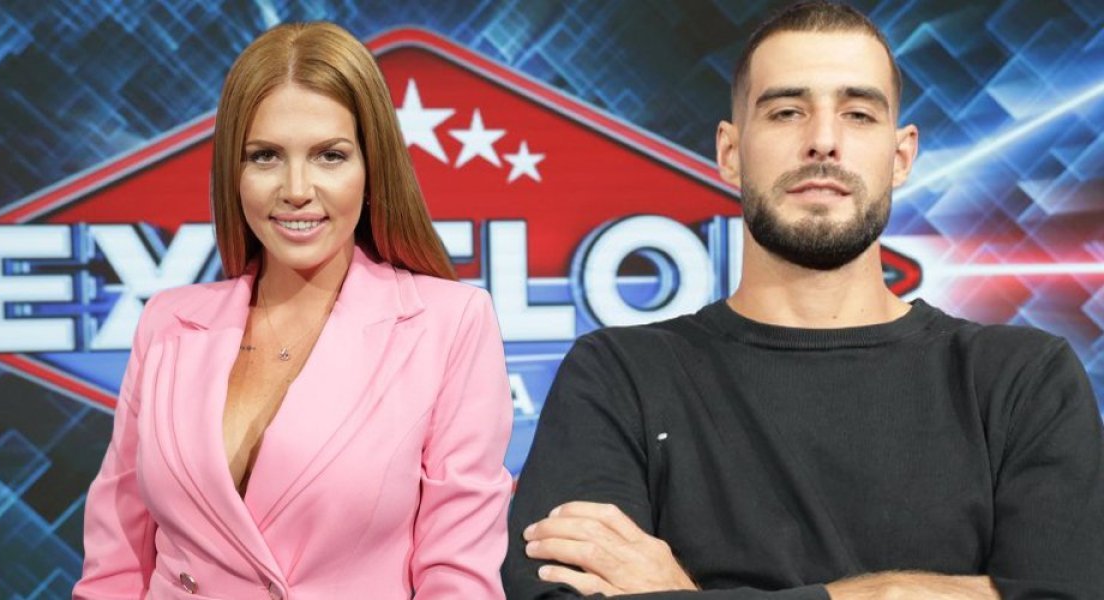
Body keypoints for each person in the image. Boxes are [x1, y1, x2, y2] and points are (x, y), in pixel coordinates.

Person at [502, 2, 1104, 599]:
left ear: (901, 157)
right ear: (730, 153)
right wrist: (890, 592)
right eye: (787, 112)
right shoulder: (621, 376)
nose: (822, 141)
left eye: (858, 114)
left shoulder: (1021, 379)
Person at [73, 22, 513, 599]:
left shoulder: (450, 323)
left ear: (372, 168)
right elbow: (115, 563)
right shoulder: (169, 322)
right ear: (234, 173)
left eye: (330, 155)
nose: (297, 188)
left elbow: (458, 574)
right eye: (266, 157)